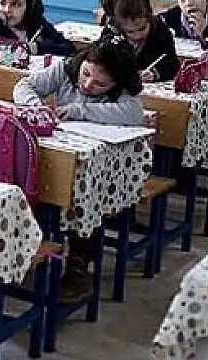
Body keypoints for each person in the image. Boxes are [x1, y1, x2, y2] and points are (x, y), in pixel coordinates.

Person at [12, 35, 145, 301]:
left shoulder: (124, 94)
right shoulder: (66, 68)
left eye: (100, 84)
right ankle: (29, 246)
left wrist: (79, 110)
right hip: (61, 154)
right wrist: (36, 107)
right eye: (86, 74)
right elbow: (24, 86)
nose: (87, 84)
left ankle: (79, 265)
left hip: (100, 171)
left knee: (85, 196)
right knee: (31, 176)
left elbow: (134, 113)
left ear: (116, 84)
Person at [99, 0, 180, 82]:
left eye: (142, 28)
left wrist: (155, 73)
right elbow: (101, 62)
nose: (137, 36)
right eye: (130, 32)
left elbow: (173, 63)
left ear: (149, 18)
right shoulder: (111, 35)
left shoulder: (160, 30)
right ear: (119, 26)